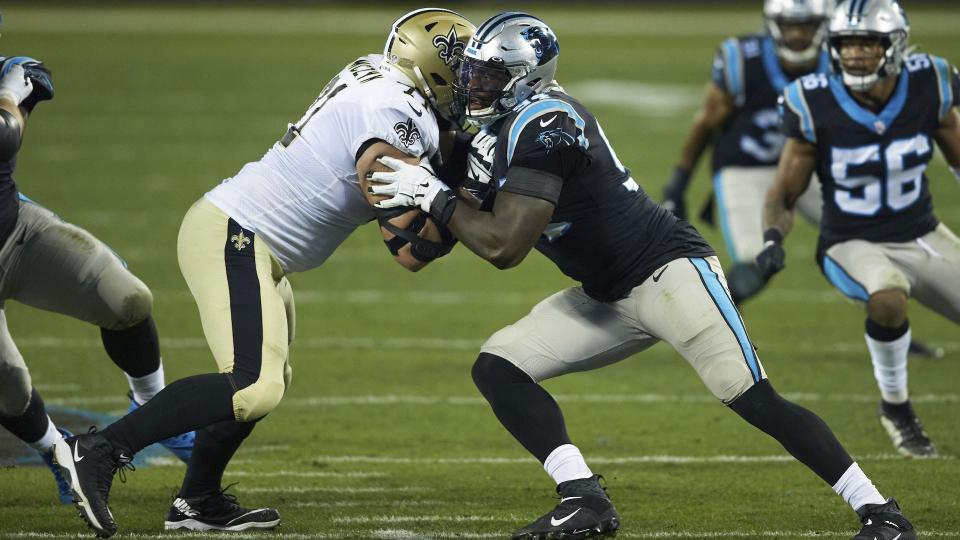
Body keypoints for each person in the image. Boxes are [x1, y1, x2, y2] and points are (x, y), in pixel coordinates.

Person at [370, 11, 917, 540]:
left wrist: (434, 195)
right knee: (499, 368)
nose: (474, 88)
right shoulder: (489, 133)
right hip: (606, 294)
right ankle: (583, 497)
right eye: (470, 75)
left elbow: (504, 246)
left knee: (750, 395)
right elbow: (438, 234)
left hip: (668, 273)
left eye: (489, 77)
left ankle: (880, 511)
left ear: (525, 78)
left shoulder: (548, 123)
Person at [50, 8, 473, 538]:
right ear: (432, 69)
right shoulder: (391, 113)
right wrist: (468, 202)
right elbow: (408, 247)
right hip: (237, 234)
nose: (471, 83)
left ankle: (197, 500)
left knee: (268, 380)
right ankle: (97, 450)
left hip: (254, 242)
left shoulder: (386, 78)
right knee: (252, 385)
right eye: (465, 70)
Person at [758, 0, 959, 459]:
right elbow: (784, 193)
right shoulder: (815, 99)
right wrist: (773, 237)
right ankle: (897, 407)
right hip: (851, 241)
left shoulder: (932, 83)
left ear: (895, 45)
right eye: (847, 44)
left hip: (923, 233)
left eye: (868, 44)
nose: (855, 55)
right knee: (887, 297)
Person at [0, 49, 194, 504]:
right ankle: (61, 456)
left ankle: (154, 409)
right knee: (10, 391)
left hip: (14, 227)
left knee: (126, 299)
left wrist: (18, 82)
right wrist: (12, 96)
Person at [661, 0, 832, 305]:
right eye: (789, 25)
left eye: (805, 26)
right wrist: (679, 183)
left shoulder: (840, 61)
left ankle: (890, 330)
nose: (796, 34)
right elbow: (707, 120)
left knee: (862, 237)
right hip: (745, 167)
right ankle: (701, 318)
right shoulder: (743, 59)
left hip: (808, 166)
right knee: (756, 263)